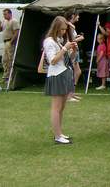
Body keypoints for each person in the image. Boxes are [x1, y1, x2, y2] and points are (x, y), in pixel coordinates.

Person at [43, 16, 77, 144]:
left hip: (64, 73)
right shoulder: (49, 41)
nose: (64, 32)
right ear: (56, 28)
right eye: (62, 29)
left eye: (65, 29)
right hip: (56, 75)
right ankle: (57, 136)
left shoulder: (58, 40)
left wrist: (73, 50)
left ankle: (60, 133)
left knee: (61, 107)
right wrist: (64, 48)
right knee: (56, 108)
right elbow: (52, 60)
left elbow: (67, 59)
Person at [64, 9, 84, 102]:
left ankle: (72, 93)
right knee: (72, 72)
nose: (79, 17)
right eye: (77, 15)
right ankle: (69, 95)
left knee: (77, 71)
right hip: (71, 50)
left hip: (74, 50)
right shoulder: (69, 25)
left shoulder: (70, 25)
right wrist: (79, 38)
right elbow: (70, 40)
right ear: (73, 16)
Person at [0, 8, 20, 84]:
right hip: (5, 42)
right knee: (4, 60)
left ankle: (11, 77)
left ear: (10, 14)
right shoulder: (4, 21)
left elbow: (16, 32)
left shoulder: (14, 21)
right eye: (3, 14)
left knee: (11, 60)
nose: (4, 15)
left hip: (10, 42)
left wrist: (11, 42)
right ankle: (5, 77)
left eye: (5, 14)